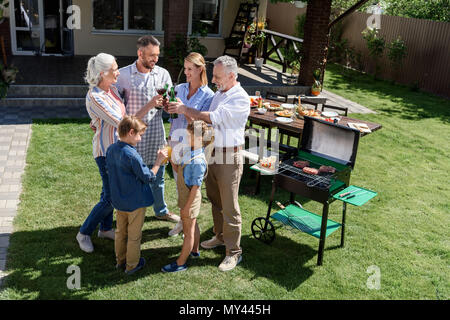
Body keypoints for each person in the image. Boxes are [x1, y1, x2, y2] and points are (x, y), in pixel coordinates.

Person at [168, 55, 250, 272]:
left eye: (217, 76)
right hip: (212, 154)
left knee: (230, 205)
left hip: (229, 158)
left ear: (232, 76)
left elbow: (212, 118)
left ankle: (234, 253)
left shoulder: (240, 98)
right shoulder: (220, 94)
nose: (213, 80)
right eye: (213, 75)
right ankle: (220, 236)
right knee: (215, 200)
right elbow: (204, 124)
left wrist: (185, 109)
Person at [115, 35, 180, 223]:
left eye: (157, 55)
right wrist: (151, 104)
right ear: (140, 53)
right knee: (133, 177)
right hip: (132, 136)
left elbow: (168, 99)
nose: (155, 59)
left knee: (159, 176)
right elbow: (118, 113)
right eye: (151, 55)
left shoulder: (163, 74)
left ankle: (161, 210)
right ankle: (133, 213)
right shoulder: (123, 75)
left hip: (156, 134)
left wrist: (167, 105)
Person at [76, 53, 126, 253]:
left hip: (116, 149)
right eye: (115, 69)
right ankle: (84, 233)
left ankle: (105, 228)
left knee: (108, 192)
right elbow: (120, 122)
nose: (118, 72)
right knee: (112, 198)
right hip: (105, 153)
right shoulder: (95, 96)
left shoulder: (111, 90)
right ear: (103, 73)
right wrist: (141, 126)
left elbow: (120, 113)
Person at [106, 115, 168, 275]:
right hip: (135, 202)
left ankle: (119, 261)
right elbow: (148, 177)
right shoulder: (132, 155)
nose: (140, 139)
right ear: (131, 132)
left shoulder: (111, 149)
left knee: (120, 232)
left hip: (119, 201)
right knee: (134, 236)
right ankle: (132, 265)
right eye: (140, 135)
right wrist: (158, 162)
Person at [167, 52, 215, 237]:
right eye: (185, 68)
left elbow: (201, 127)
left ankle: (189, 225)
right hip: (175, 141)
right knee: (180, 186)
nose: (186, 72)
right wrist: (169, 107)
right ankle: (183, 221)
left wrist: (184, 110)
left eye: (189, 69)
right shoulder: (179, 88)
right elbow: (172, 113)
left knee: (190, 187)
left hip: (192, 147)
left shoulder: (208, 95)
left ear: (200, 69)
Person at [161, 121, 214, 273]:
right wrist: (171, 159)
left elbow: (196, 188)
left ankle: (181, 263)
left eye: (189, 135)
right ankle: (195, 251)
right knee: (193, 224)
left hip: (190, 199)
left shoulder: (198, 161)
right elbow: (181, 170)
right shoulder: (190, 151)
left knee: (188, 231)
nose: (185, 137)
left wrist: (186, 207)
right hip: (186, 197)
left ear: (198, 139)